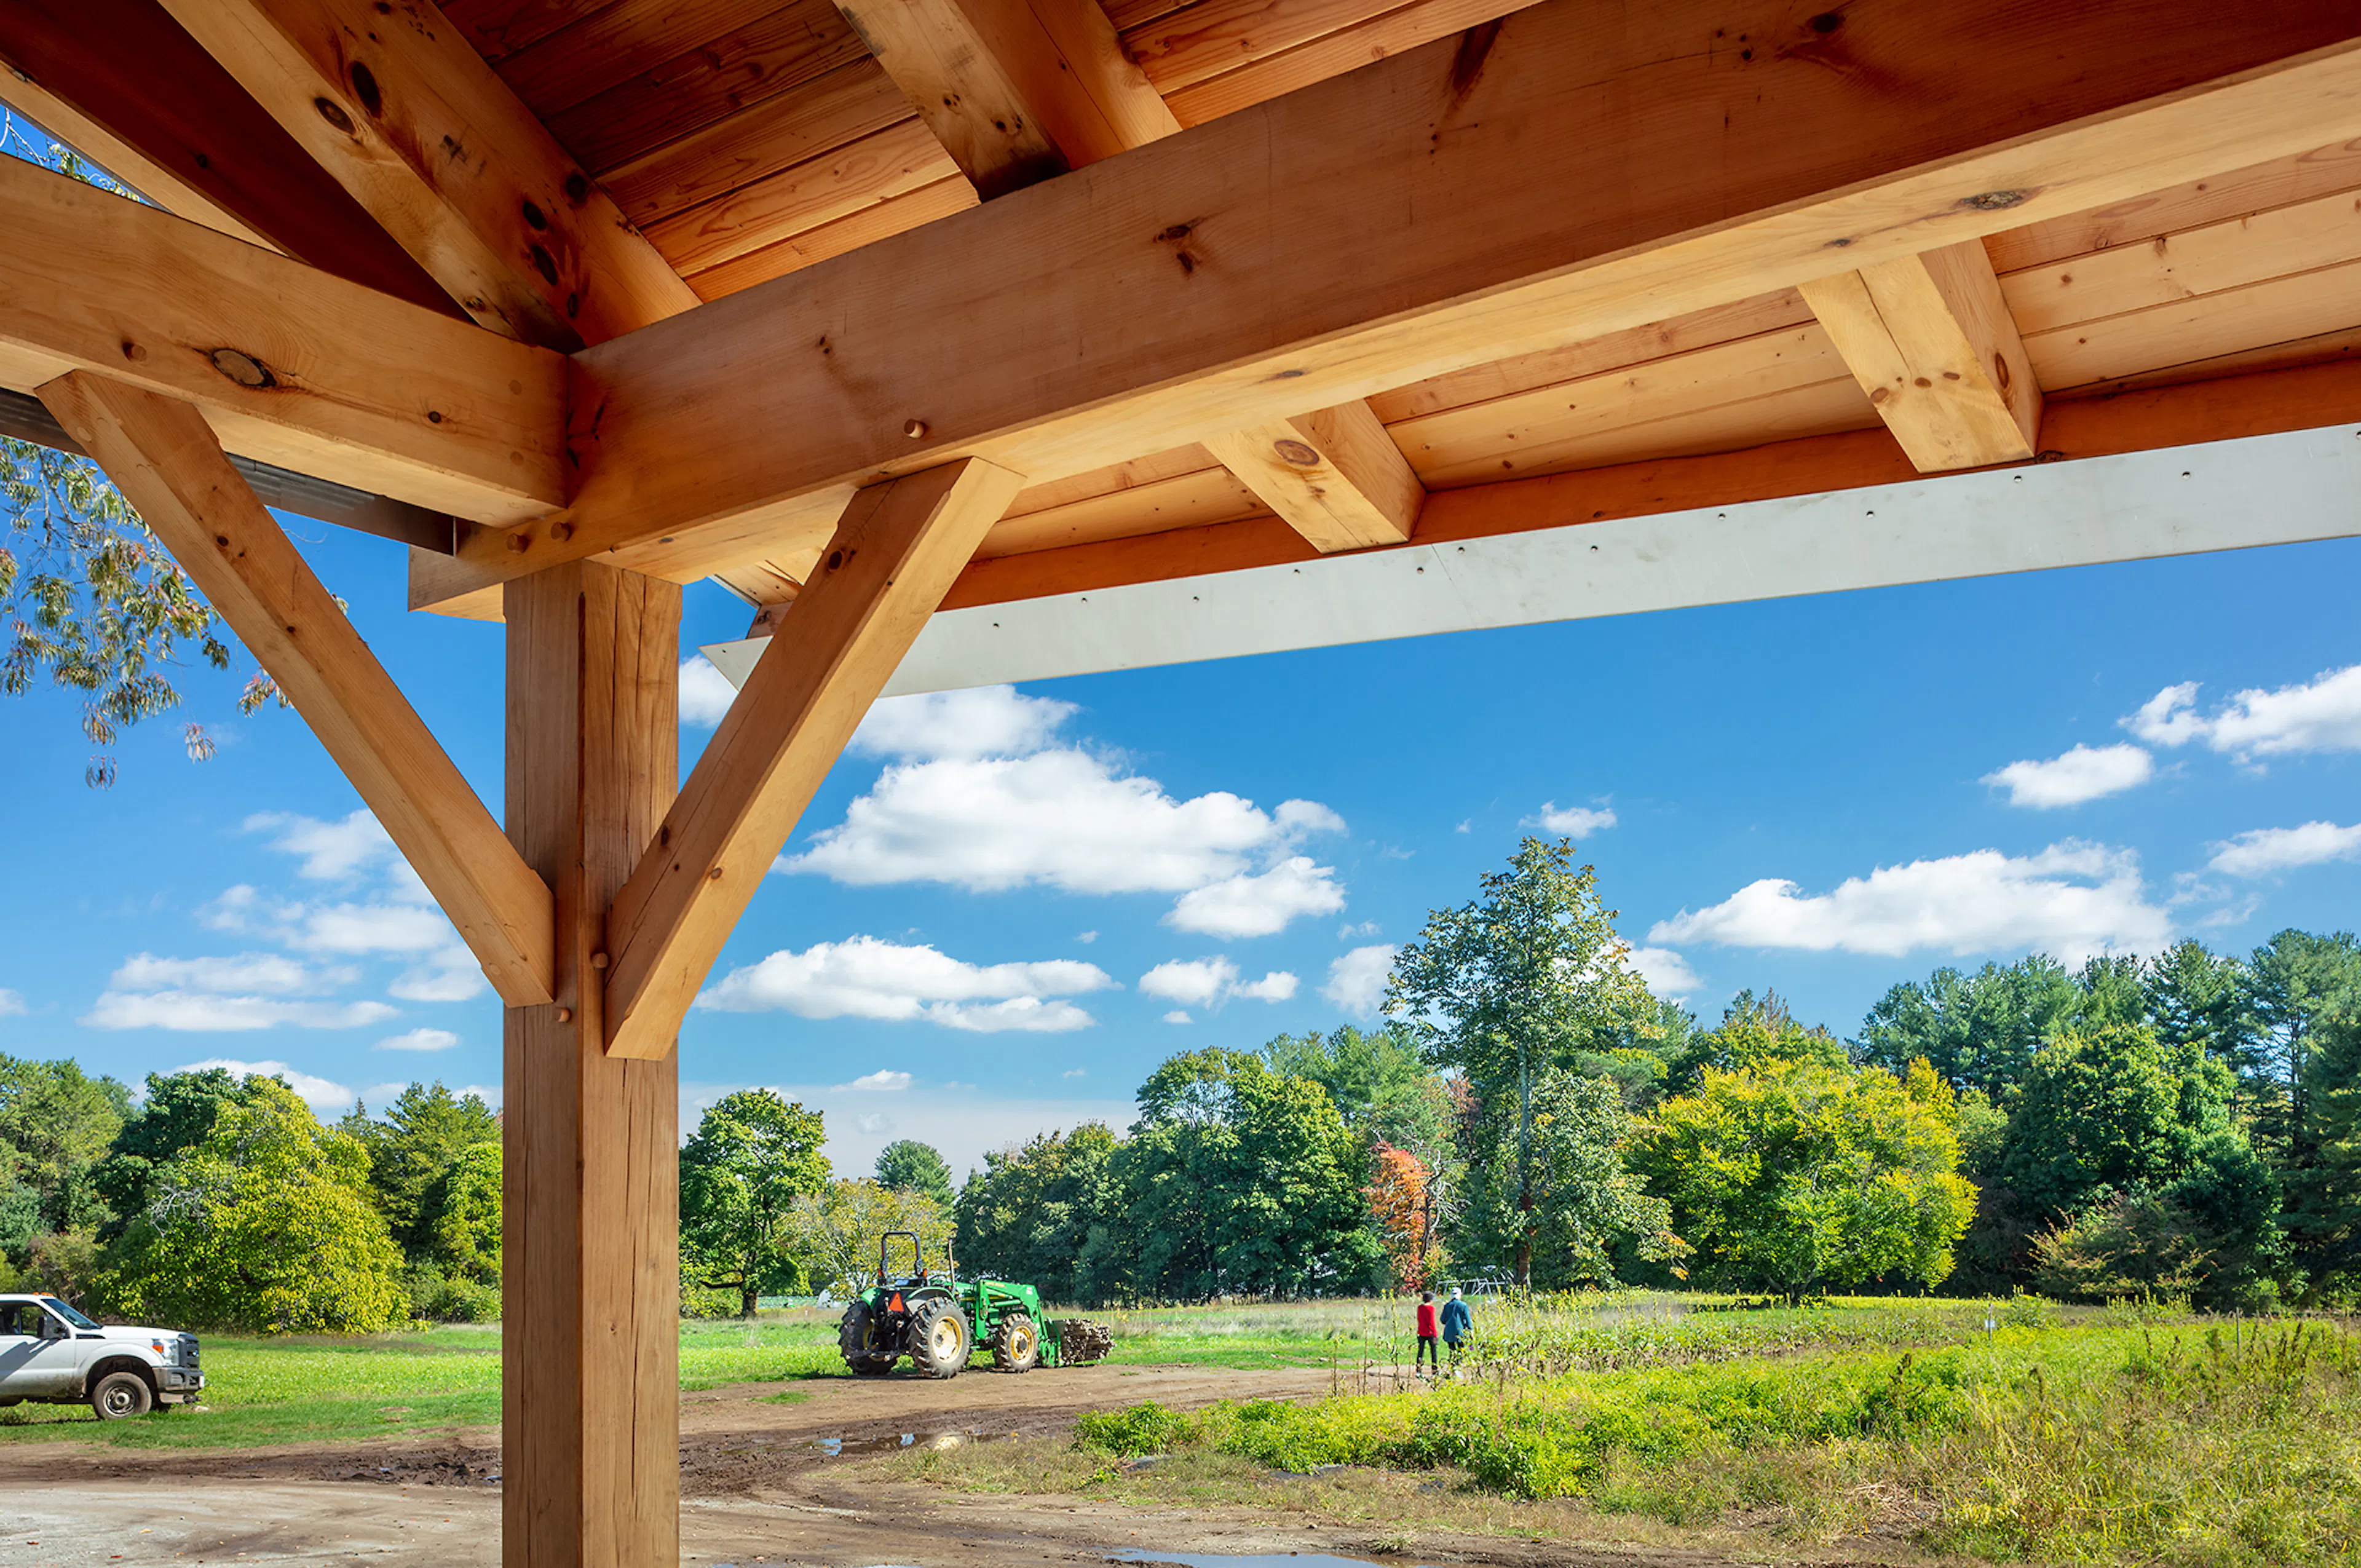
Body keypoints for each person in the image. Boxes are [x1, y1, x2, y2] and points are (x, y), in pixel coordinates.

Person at [1440, 1285, 1472, 1369]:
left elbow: (1443, 1320)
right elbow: (1468, 1320)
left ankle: (1453, 1366)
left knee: (1452, 1350)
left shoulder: (1447, 1306)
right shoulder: (1463, 1305)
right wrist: (1470, 1330)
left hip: (1449, 1332)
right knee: (1461, 1349)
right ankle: (1459, 1366)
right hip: (1460, 1331)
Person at [1414, 1289, 1439, 1374]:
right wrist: (1435, 1334)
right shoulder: (1431, 1308)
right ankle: (1434, 1370)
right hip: (1430, 1333)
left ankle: (1419, 1370)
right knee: (1433, 1352)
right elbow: (1432, 1322)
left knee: (1420, 1351)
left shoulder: (1420, 1308)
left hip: (1421, 1332)